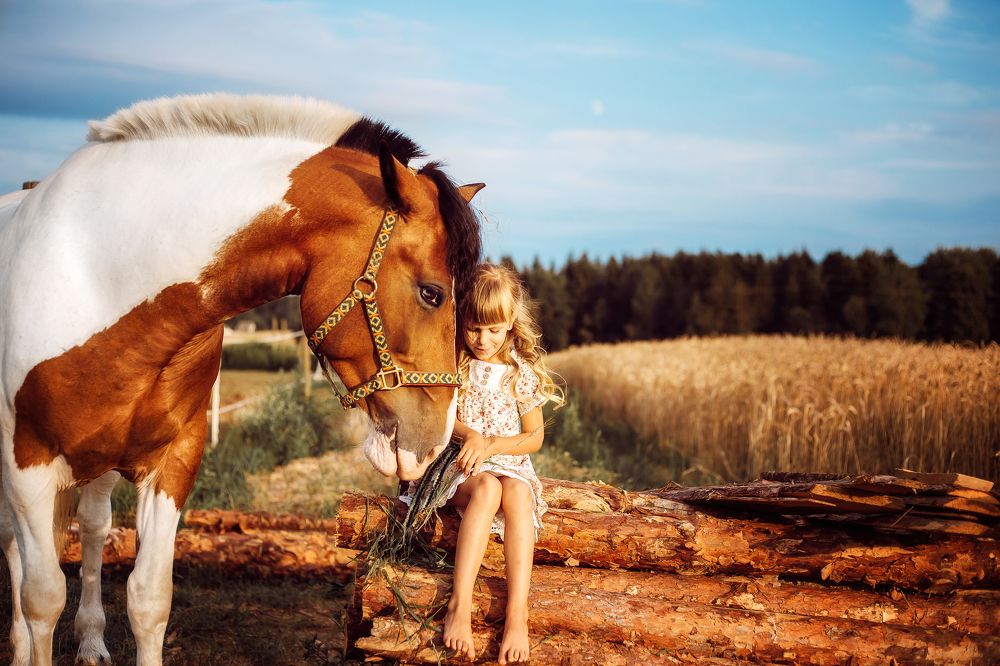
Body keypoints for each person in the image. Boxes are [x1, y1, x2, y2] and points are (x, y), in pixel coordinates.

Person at [400, 263, 563, 664]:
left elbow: (534, 437)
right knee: (489, 488)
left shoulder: (520, 375)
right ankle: (459, 604)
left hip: (505, 459)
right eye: (474, 328)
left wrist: (492, 445)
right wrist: (472, 437)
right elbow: (438, 415)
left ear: (510, 323)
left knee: (519, 493)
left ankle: (517, 613)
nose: (483, 339)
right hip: (458, 462)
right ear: (463, 321)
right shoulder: (454, 362)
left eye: (494, 329)